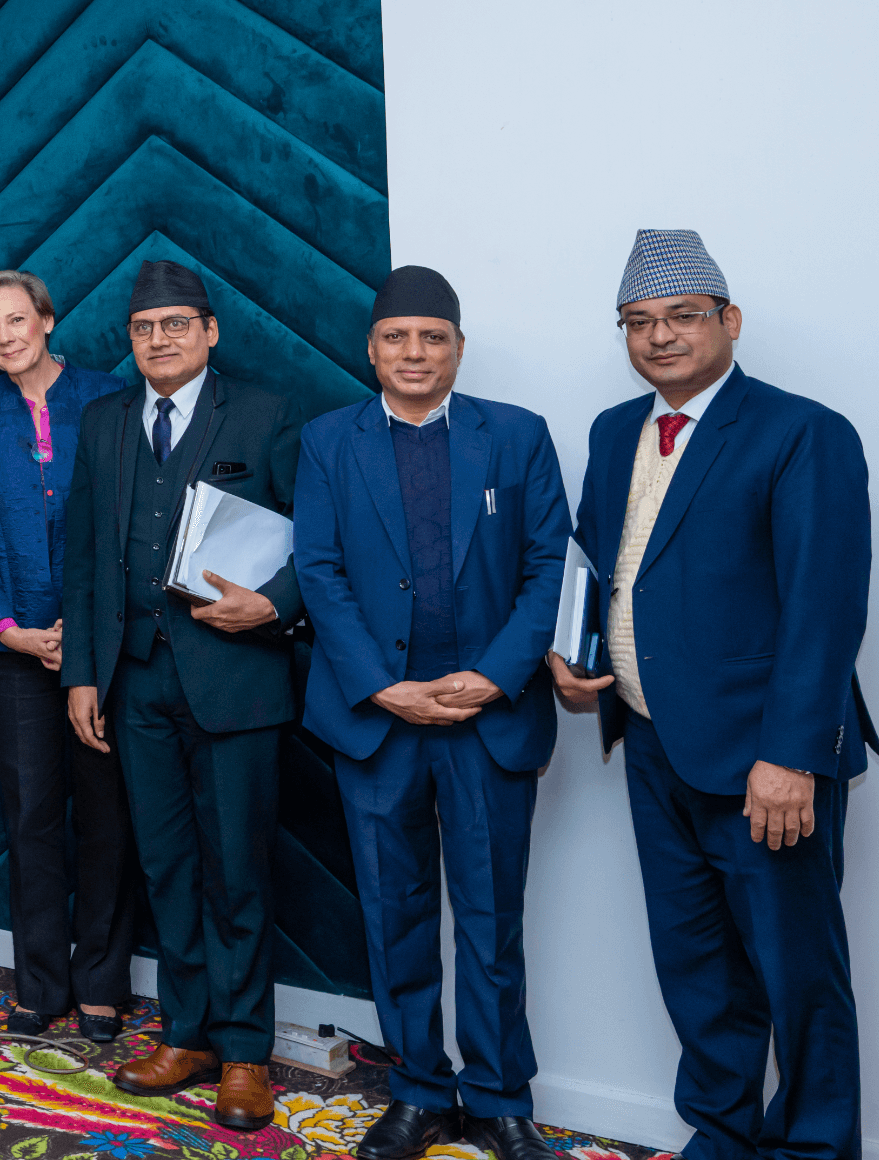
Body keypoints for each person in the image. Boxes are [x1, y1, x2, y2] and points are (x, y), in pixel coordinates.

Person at [549, 230, 871, 1160]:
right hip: (652, 745)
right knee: (697, 967)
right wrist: (572, 664)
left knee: (798, 973)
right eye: (638, 322)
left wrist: (792, 756)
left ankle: (815, 1146)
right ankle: (723, 1133)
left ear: (729, 321)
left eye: (683, 317)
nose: (660, 338)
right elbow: (596, 562)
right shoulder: (616, 432)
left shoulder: (802, 432)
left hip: (764, 759)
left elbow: (825, 606)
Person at [291, 268, 569, 1160]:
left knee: (491, 918)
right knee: (393, 911)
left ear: (457, 346)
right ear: (370, 348)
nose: (416, 353)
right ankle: (417, 1088)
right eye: (398, 338)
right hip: (379, 722)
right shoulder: (329, 442)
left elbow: (548, 567)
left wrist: (494, 676)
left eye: (433, 338)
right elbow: (319, 570)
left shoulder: (518, 437)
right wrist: (381, 685)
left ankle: (496, 1097)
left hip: (489, 718)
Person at [59, 260, 304, 1130]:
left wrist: (274, 607)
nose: (158, 339)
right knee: (165, 865)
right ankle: (189, 1031)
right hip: (133, 680)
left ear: (209, 331)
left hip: (235, 679)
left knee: (236, 871)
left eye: (175, 324)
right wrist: (83, 672)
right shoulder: (105, 420)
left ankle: (244, 1052)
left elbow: (317, 542)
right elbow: (85, 555)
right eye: (143, 328)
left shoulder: (267, 412)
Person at [0, 270, 137, 1043]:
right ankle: (39, 985)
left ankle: (102, 986)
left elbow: (126, 522)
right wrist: (9, 629)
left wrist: (83, 635)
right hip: (14, 654)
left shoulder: (107, 396)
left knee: (105, 820)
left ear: (48, 321)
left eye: (17, 320)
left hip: (103, 651)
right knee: (29, 823)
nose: (5, 337)